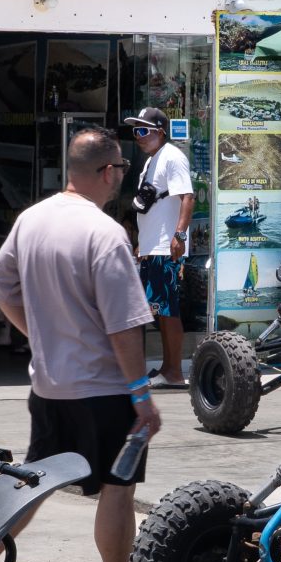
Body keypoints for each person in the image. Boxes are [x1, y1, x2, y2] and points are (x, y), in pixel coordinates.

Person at [0, 126, 165, 562]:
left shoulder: (31, 220)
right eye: (122, 172)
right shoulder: (106, 234)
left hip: (49, 385)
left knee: (33, 484)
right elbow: (126, 327)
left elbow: (1, 291)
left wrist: (41, 336)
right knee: (117, 488)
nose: (122, 181)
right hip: (105, 390)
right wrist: (142, 396)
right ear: (107, 172)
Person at [124, 105, 196, 388]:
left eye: (144, 130)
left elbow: (187, 197)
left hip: (166, 247)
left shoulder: (173, 157)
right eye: (135, 131)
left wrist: (179, 236)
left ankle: (175, 372)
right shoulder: (152, 160)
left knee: (168, 310)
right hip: (152, 247)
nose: (139, 136)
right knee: (161, 310)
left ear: (160, 132)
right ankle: (168, 369)